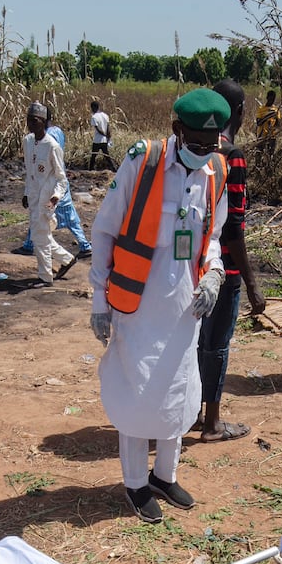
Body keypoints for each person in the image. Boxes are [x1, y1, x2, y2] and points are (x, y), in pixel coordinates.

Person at [88, 89, 229, 523]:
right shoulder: (143, 161)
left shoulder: (214, 171)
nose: (203, 154)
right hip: (136, 302)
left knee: (178, 388)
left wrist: (214, 273)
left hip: (185, 308)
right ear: (176, 131)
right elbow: (104, 230)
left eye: (212, 146)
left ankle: (165, 475)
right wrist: (98, 298)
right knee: (137, 391)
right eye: (196, 145)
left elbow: (215, 236)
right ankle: (134, 483)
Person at [194, 80, 264, 444]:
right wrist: (252, 283)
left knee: (198, 341)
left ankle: (193, 411)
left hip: (195, 264)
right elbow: (234, 228)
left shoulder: (195, 147)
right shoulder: (232, 155)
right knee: (217, 344)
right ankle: (212, 423)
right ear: (240, 111)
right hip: (224, 268)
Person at [11, 104, 91, 259]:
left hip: (50, 185)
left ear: (42, 120)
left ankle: (31, 246)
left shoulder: (46, 139)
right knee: (68, 217)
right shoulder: (59, 132)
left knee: (39, 217)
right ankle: (84, 245)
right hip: (58, 184)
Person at [22, 102, 75, 286]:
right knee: (42, 236)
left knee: (39, 238)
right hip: (33, 196)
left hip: (46, 198)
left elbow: (62, 178)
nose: (30, 123)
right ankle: (67, 259)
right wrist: (26, 192)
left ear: (43, 121)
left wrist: (55, 197)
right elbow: (29, 171)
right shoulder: (27, 142)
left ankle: (45, 277)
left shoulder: (52, 146)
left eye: (34, 120)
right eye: (28, 120)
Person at [88, 98, 114, 170]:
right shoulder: (105, 115)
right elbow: (108, 127)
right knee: (107, 156)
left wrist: (104, 135)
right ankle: (114, 169)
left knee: (93, 156)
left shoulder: (94, 117)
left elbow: (98, 129)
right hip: (104, 140)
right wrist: (108, 135)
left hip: (97, 140)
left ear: (93, 108)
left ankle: (90, 170)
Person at [253, 89, 281, 154]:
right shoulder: (261, 109)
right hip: (261, 135)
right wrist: (268, 116)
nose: (271, 101)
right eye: (270, 99)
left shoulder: (276, 110)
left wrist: (275, 119)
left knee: (270, 154)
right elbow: (258, 123)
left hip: (272, 136)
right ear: (267, 98)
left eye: (273, 99)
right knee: (259, 153)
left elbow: (278, 125)